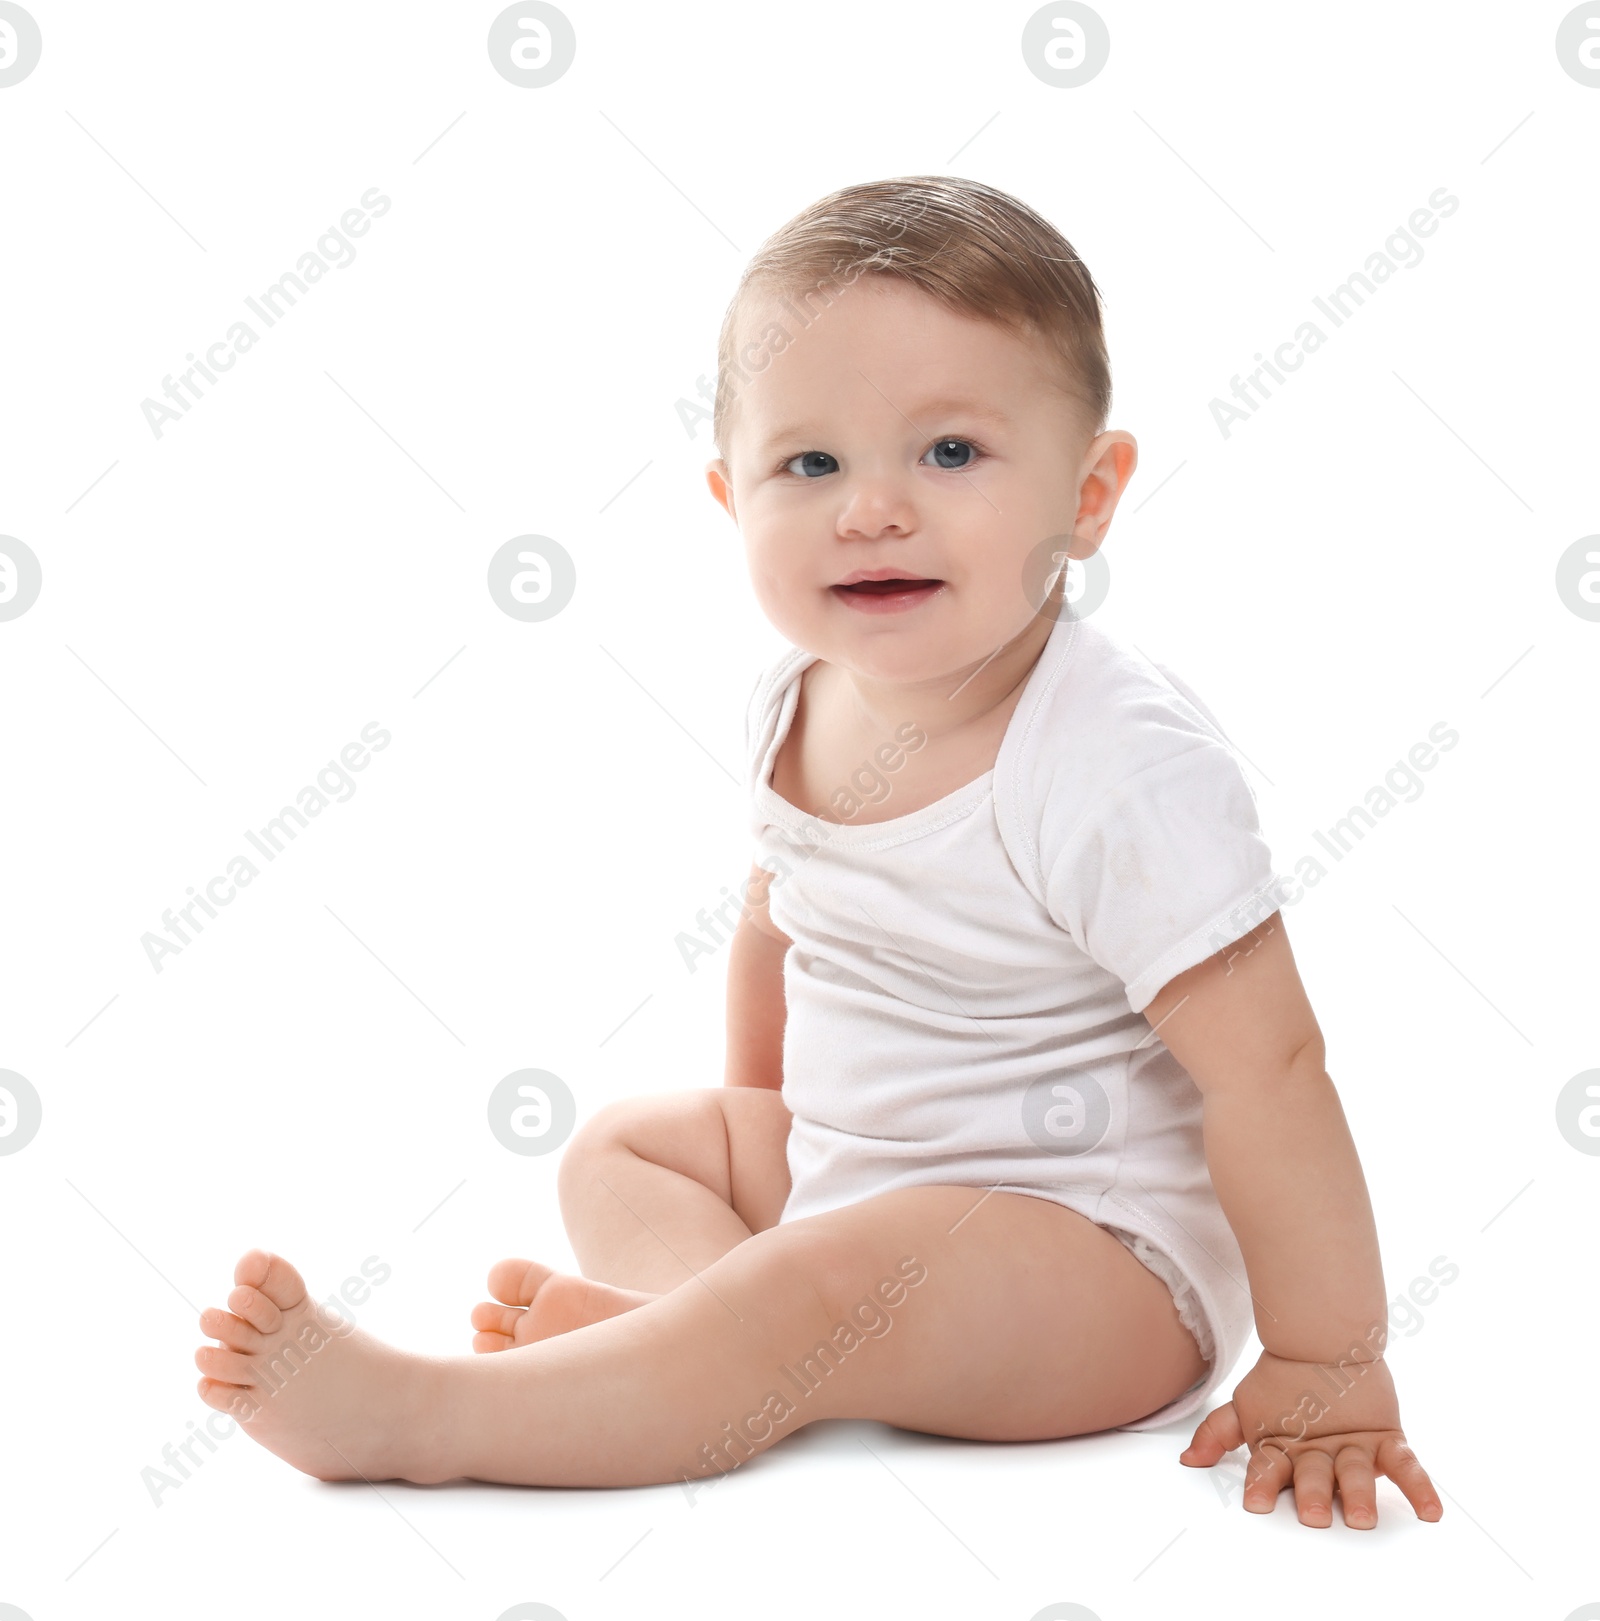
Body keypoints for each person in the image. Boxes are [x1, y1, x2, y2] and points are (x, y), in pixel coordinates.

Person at [193, 175, 1440, 1529]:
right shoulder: (799, 698)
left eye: (951, 453)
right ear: (732, 498)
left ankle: (438, 1422)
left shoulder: (1113, 763)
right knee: (620, 1154)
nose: (872, 510)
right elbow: (780, 925)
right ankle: (694, 1340)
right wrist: (761, 1132)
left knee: (827, 1282)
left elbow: (1271, 1068)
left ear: (1089, 497)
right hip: (857, 1183)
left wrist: (1329, 1360)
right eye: (812, 464)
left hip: (1092, 1260)